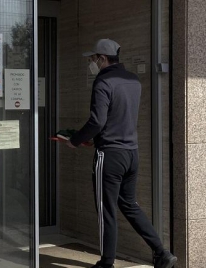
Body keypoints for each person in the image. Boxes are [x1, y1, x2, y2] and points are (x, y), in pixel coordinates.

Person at [65, 38, 176, 268]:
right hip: (131, 154)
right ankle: (161, 252)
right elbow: (117, 117)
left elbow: (97, 121)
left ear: (103, 59)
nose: (92, 63)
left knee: (107, 210)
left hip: (110, 156)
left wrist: (75, 140)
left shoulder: (103, 82)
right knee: (130, 205)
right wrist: (94, 138)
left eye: (94, 58)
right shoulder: (133, 81)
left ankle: (106, 264)